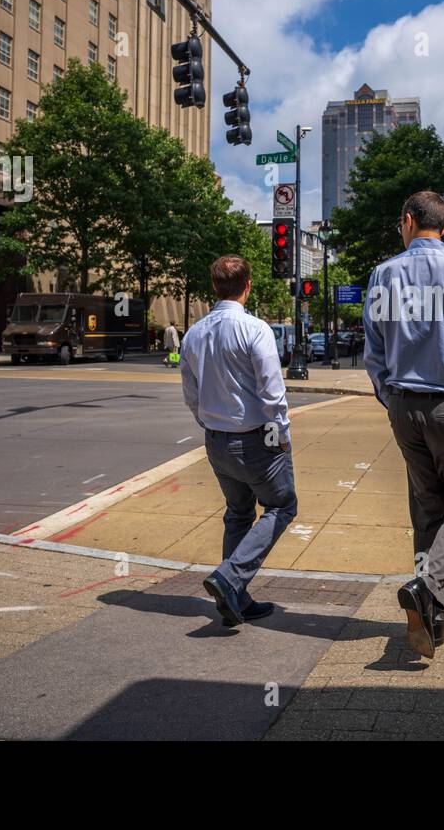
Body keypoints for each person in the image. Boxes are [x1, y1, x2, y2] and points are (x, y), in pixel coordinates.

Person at [363, 190, 444, 658]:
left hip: (406, 407)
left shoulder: (383, 275)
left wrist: (391, 401)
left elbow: (374, 354)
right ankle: (426, 589)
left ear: (407, 221)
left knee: (427, 509)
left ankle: (434, 616)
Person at [180, 255, 295, 626]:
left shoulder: (195, 333)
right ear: (248, 286)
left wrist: (209, 423)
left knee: (239, 512)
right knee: (282, 506)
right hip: (256, 439)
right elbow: (272, 389)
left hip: (216, 440)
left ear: (215, 288)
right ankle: (230, 579)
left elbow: (191, 393)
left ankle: (236, 599)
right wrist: (281, 432)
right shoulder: (255, 329)